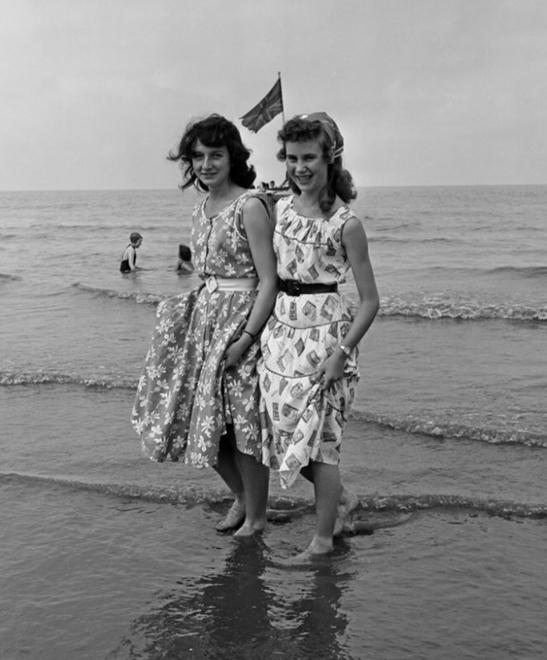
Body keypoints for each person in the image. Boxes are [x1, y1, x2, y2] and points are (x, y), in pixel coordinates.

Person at [132, 114, 277, 537]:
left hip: (244, 321)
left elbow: (268, 280)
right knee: (202, 415)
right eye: (199, 157)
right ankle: (243, 498)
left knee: (243, 423)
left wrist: (247, 336)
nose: (207, 164)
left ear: (233, 157)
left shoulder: (250, 205)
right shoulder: (201, 208)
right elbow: (206, 273)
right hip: (206, 323)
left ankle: (258, 516)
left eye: (217, 154)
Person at [258, 112, 380, 559]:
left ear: (330, 158)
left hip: (325, 338)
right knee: (284, 434)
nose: (299, 167)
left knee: (321, 443)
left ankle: (323, 541)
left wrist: (341, 354)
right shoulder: (280, 209)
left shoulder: (346, 224)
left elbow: (370, 300)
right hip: (280, 334)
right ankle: (342, 500)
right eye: (291, 158)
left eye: (309, 157)